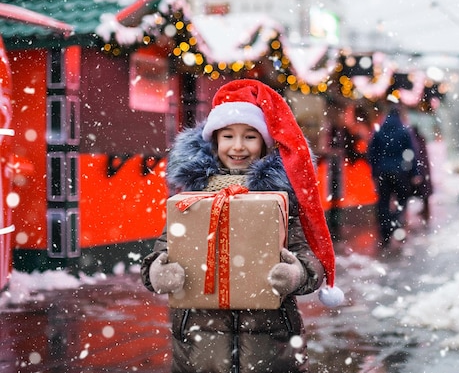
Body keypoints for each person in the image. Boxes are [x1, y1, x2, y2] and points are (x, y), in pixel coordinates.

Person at [141, 79, 343, 372]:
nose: (238, 147)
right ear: (214, 142)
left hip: (270, 343)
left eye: (250, 136)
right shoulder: (192, 199)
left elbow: (310, 260)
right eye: (228, 136)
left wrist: (297, 274)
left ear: (264, 143)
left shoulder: (281, 201)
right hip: (200, 346)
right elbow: (161, 252)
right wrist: (159, 272)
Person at [367, 105, 419, 247]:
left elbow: (372, 153)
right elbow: (412, 152)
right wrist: (415, 173)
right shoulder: (404, 130)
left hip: (383, 173)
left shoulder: (379, 131)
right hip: (400, 172)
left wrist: (375, 171)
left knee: (383, 202)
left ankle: (385, 233)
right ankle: (396, 223)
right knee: (402, 200)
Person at [409, 123, 433, 220]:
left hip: (419, 170)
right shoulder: (420, 140)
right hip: (423, 170)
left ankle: (425, 212)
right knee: (424, 192)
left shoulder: (413, 141)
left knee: (422, 192)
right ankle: (426, 212)